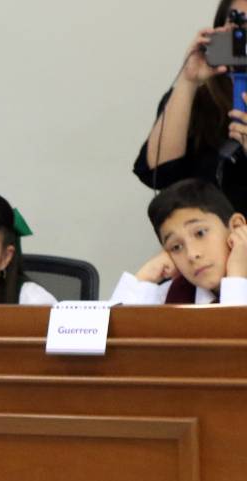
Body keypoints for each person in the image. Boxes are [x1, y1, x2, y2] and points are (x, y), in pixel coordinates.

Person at [134, 0, 247, 214]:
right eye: (238, 26)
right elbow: (159, 173)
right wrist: (188, 81)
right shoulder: (199, 99)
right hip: (203, 240)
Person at [110, 178, 247, 304]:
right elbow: (112, 326)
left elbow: (233, 329)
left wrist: (237, 278)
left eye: (200, 233)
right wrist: (147, 275)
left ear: (236, 227)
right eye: (176, 247)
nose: (192, 255)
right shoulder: (173, 294)